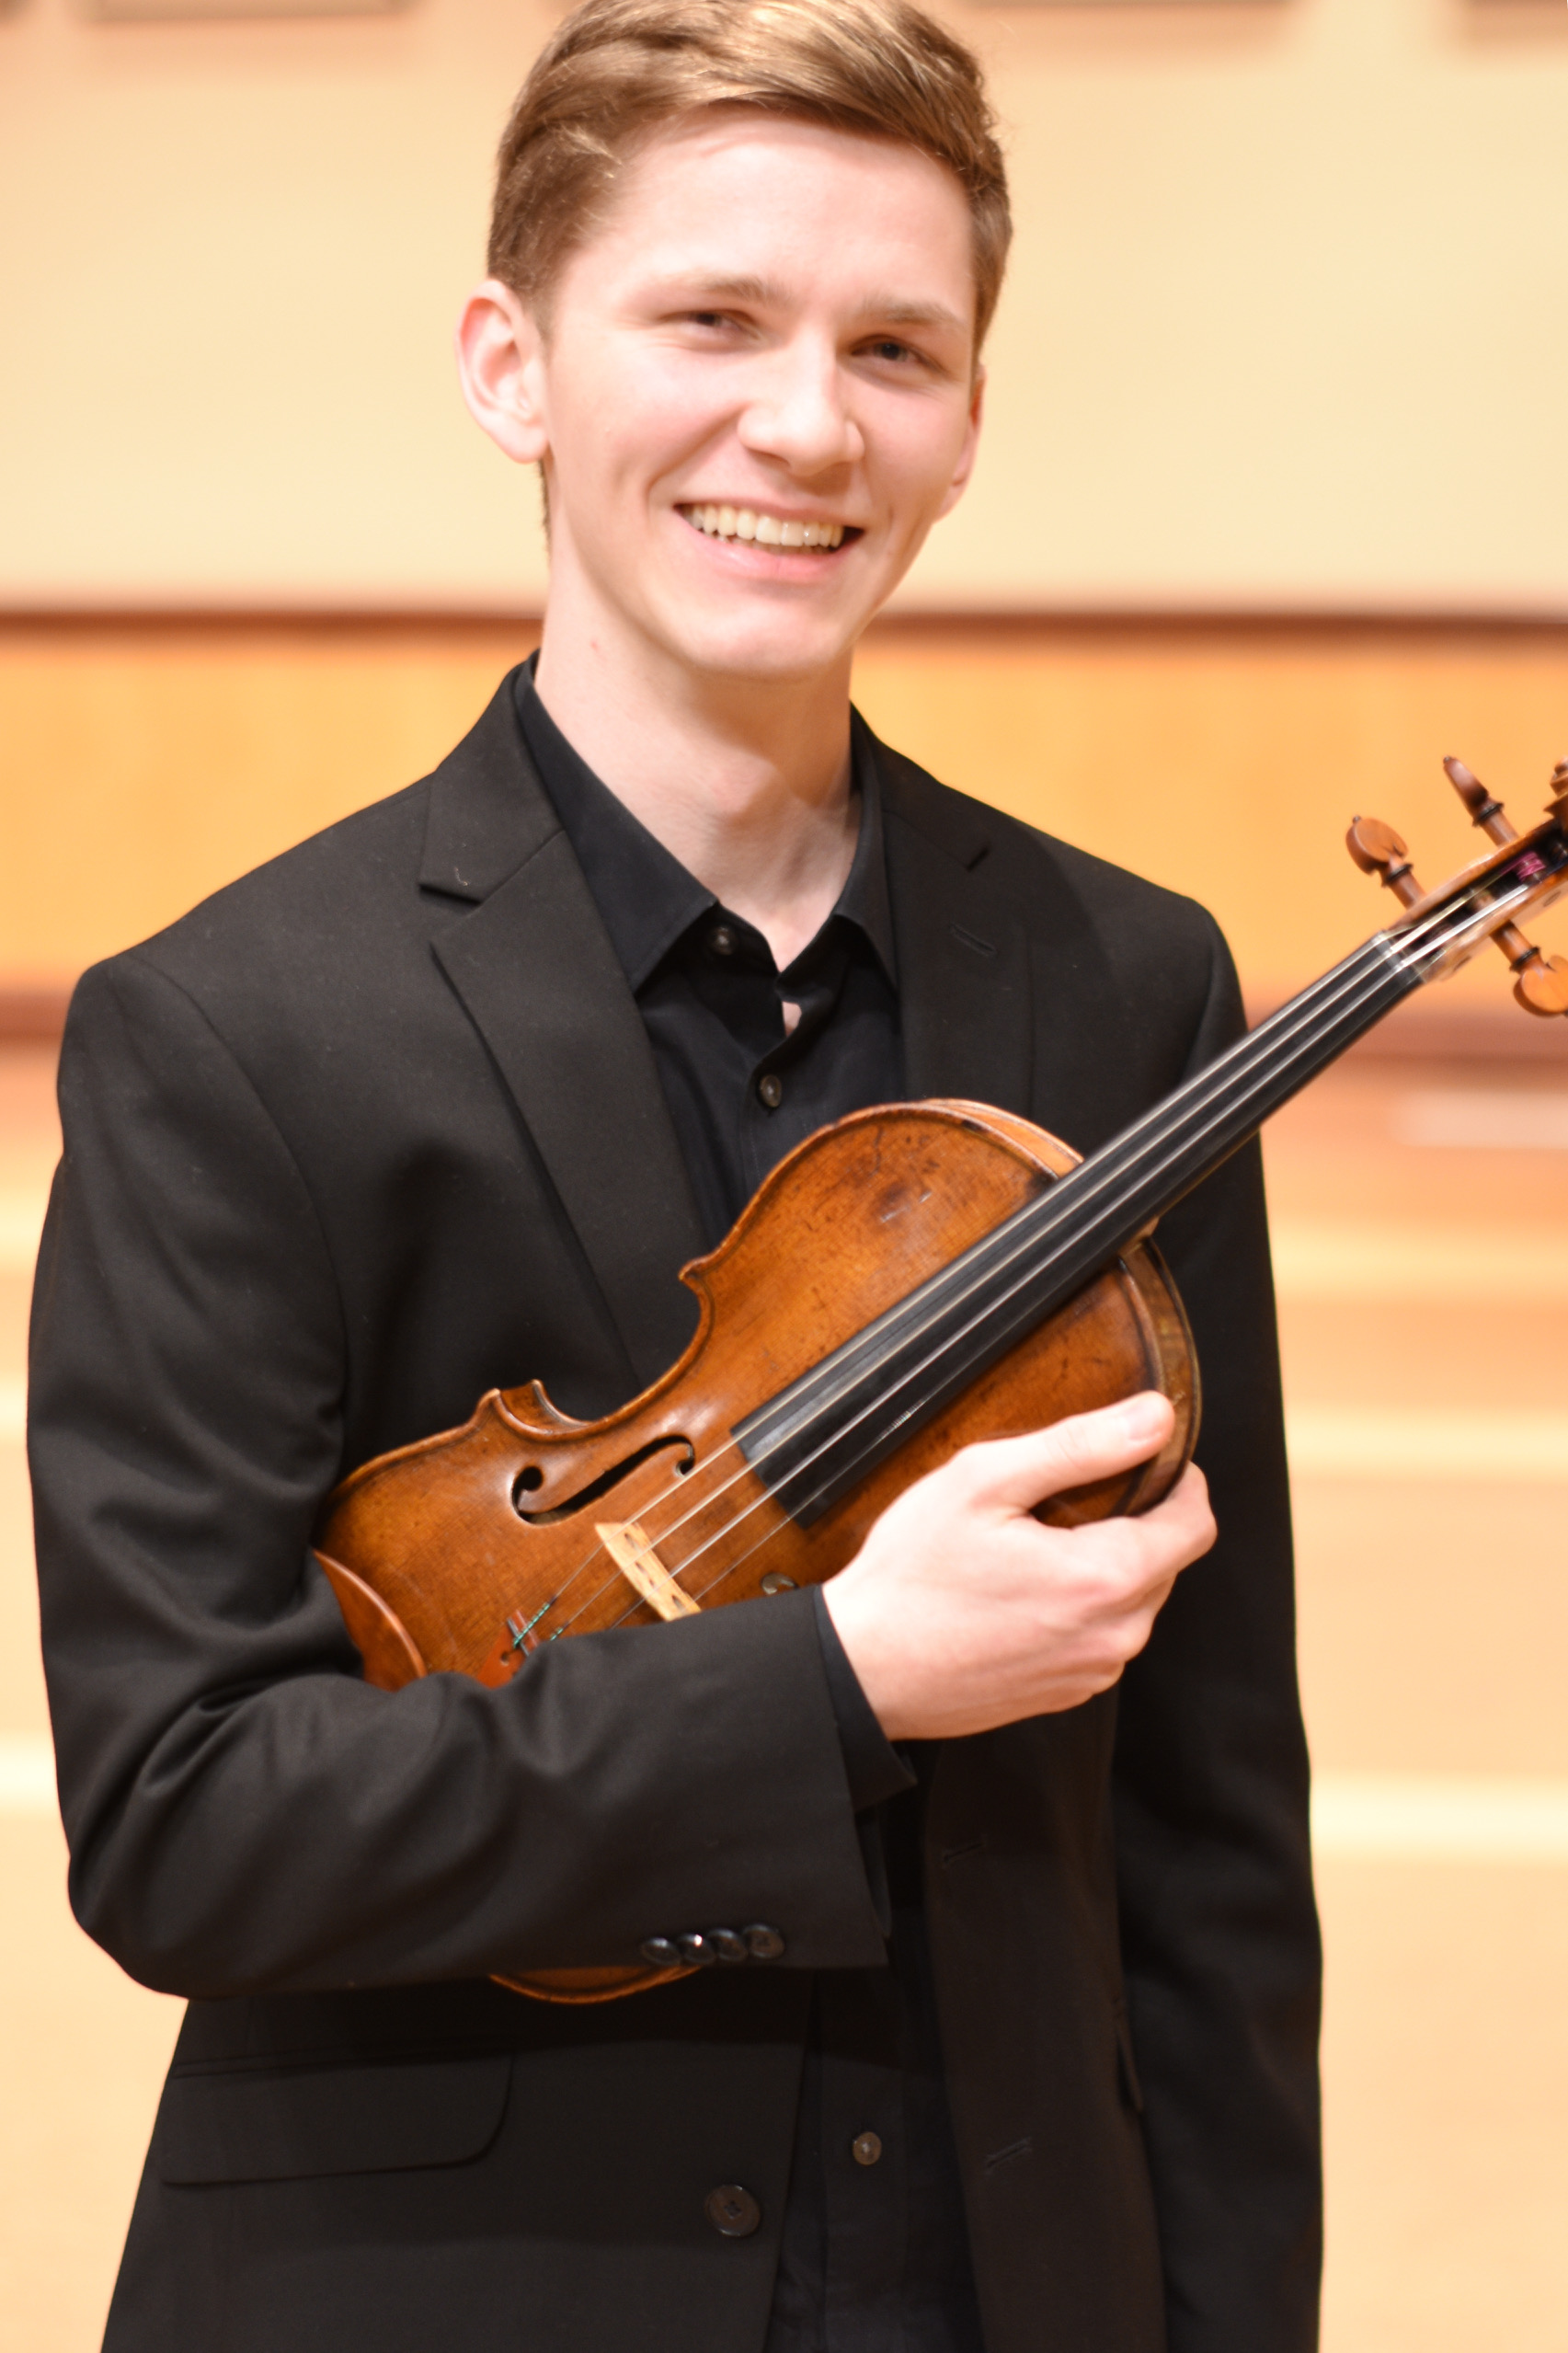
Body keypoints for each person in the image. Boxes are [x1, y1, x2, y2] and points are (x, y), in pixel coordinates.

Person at [28, 3, 1321, 2347]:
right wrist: (823, 1681)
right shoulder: (233, 1027)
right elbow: (185, 1818)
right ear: (510, 364)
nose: (805, 421)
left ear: (964, 423)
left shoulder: (1127, 976)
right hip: (442, 2295)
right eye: (709, 318)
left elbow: (1212, 1837)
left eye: (894, 346)